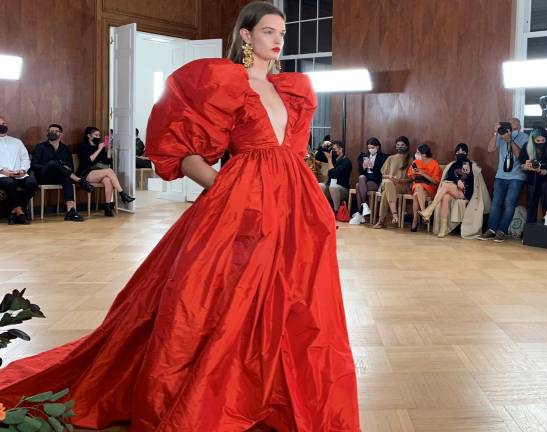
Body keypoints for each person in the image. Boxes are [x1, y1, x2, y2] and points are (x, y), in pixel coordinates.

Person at [0, 3, 361, 431]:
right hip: (241, 206)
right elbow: (181, 149)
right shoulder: (224, 83)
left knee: (296, 298)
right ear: (245, 36)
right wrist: (223, 187)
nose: (278, 39)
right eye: (267, 31)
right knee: (218, 293)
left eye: (281, 32)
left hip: (295, 205)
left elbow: (291, 153)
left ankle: (275, 391)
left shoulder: (293, 89)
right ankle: (220, 390)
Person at [30, 123, 93, 221]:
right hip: (43, 176)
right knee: (53, 163)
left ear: (61, 135)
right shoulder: (40, 147)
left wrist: (63, 167)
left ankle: (71, 210)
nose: (52, 133)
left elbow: (70, 168)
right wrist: (50, 165)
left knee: (66, 177)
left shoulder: (65, 149)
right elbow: (34, 165)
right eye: (50, 131)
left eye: (55, 131)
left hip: (60, 176)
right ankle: (79, 180)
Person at [481, 118, 528, 242]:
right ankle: (491, 229)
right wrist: (496, 133)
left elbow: (520, 156)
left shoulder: (524, 137)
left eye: (511, 124)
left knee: (509, 203)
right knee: (496, 202)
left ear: (519, 126)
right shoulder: (501, 136)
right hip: (500, 175)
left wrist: (510, 140)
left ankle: (501, 231)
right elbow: (490, 148)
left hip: (517, 177)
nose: (508, 126)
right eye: (507, 123)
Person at [419, 143, 474, 237]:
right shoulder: (453, 164)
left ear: (466, 152)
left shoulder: (467, 163)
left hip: (464, 191)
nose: (460, 153)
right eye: (458, 151)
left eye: (462, 151)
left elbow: (465, 178)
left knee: (446, 185)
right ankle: (443, 229)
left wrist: (458, 181)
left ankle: (429, 210)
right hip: (455, 189)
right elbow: (449, 177)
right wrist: (457, 181)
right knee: (445, 197)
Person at [77, 126, 135, 217]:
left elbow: (108, 161)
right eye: (96, 135)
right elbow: (88, 161)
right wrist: (99, 149)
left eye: (99, 135)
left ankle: (107, 208)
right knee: (109, 171)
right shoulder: (82, 146)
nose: (98, 137)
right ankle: (122, 194)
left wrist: (108, 149)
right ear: (88, 135)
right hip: (86, 173)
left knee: (108, 180)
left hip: (99, 172)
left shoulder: (98, 145)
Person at [0, 115, 37, 225]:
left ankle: (14, 211)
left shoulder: (17, 142)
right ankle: (20, 213)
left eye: (4, 124)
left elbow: (25, 158)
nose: (3, 126)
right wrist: (2, 171)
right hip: (2, 175)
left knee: (32, 183)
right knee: (10, 183)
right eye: (0, 125)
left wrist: (23, 170)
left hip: (19, 174)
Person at [519, 127, 547, 226]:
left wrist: (540, 170)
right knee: (531, 201)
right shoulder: (526, 147)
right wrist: (525, 166)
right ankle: (530, 226)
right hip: (532, 178)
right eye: (538, 140)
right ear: (533, 140)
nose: (541, 142)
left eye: (543, 140)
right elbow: (521, 164)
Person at [373, 136, 412, 228]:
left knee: (386, 192)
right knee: (388, 183)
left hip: (402, 186)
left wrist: (399, 180)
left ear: (406, 146)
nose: (400, 147)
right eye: (398, 145)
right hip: (389, 183)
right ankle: (394, 214)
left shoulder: (410, 160)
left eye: (402, 145)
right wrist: (390, 177)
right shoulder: (390, 158)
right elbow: (383, 175)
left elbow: (411, 179)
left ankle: (381, 221)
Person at [350, 137, 388, 224]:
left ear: (378, 147)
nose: (371, 149)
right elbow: (361, 172)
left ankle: (360, 213)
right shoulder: (363, 156)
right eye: (369, 148)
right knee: (361, 178)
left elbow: (382, 173)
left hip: (376, 179)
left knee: (358, 185)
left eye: (372, 148)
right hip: (365, 178)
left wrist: (372, 167)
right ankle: (364, 206)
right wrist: (364, 167)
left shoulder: (383, 157)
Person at [406, 143, 441, 232]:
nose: (416, 154)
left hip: (429, 187)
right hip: (417, 185)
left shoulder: (434, 164)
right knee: (418, 187)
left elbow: (436, 181)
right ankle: (425, 212)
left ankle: (415, 220)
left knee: (416, 195)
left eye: (418, 152)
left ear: (424, 154)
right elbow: (411, 178)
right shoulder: (415, 162)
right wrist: (414, 174)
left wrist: (423, 174)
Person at [319, 140, 352, 212]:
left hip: (342, 188)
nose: (332, 151)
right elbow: (318, 156)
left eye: (334, 149)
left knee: (333, 187)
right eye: (332, 149)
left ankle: (336, 211)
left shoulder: (346, 161)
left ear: (341, 149)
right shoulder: (333, 158)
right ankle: (322, 210)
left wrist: (329, 160)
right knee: (319, 185)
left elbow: (333, 174)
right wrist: (323, 146)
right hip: (330, 186)